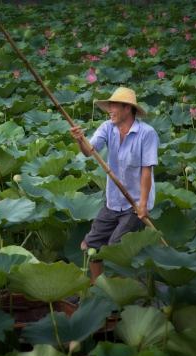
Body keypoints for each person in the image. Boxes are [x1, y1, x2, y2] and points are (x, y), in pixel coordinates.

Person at [70, 87, 159, 282]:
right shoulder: (107, 128)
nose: (109, 109)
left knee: (116, 245)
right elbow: (88, 151)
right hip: (113, 200)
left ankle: (123, 290)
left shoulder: (147, 134)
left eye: (113, 106)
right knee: (92, 243)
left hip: (135, 203)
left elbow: (147, 171)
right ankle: (98, 285)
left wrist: (143, 205)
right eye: (108, 105)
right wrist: (79, 140)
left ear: (127, 109)